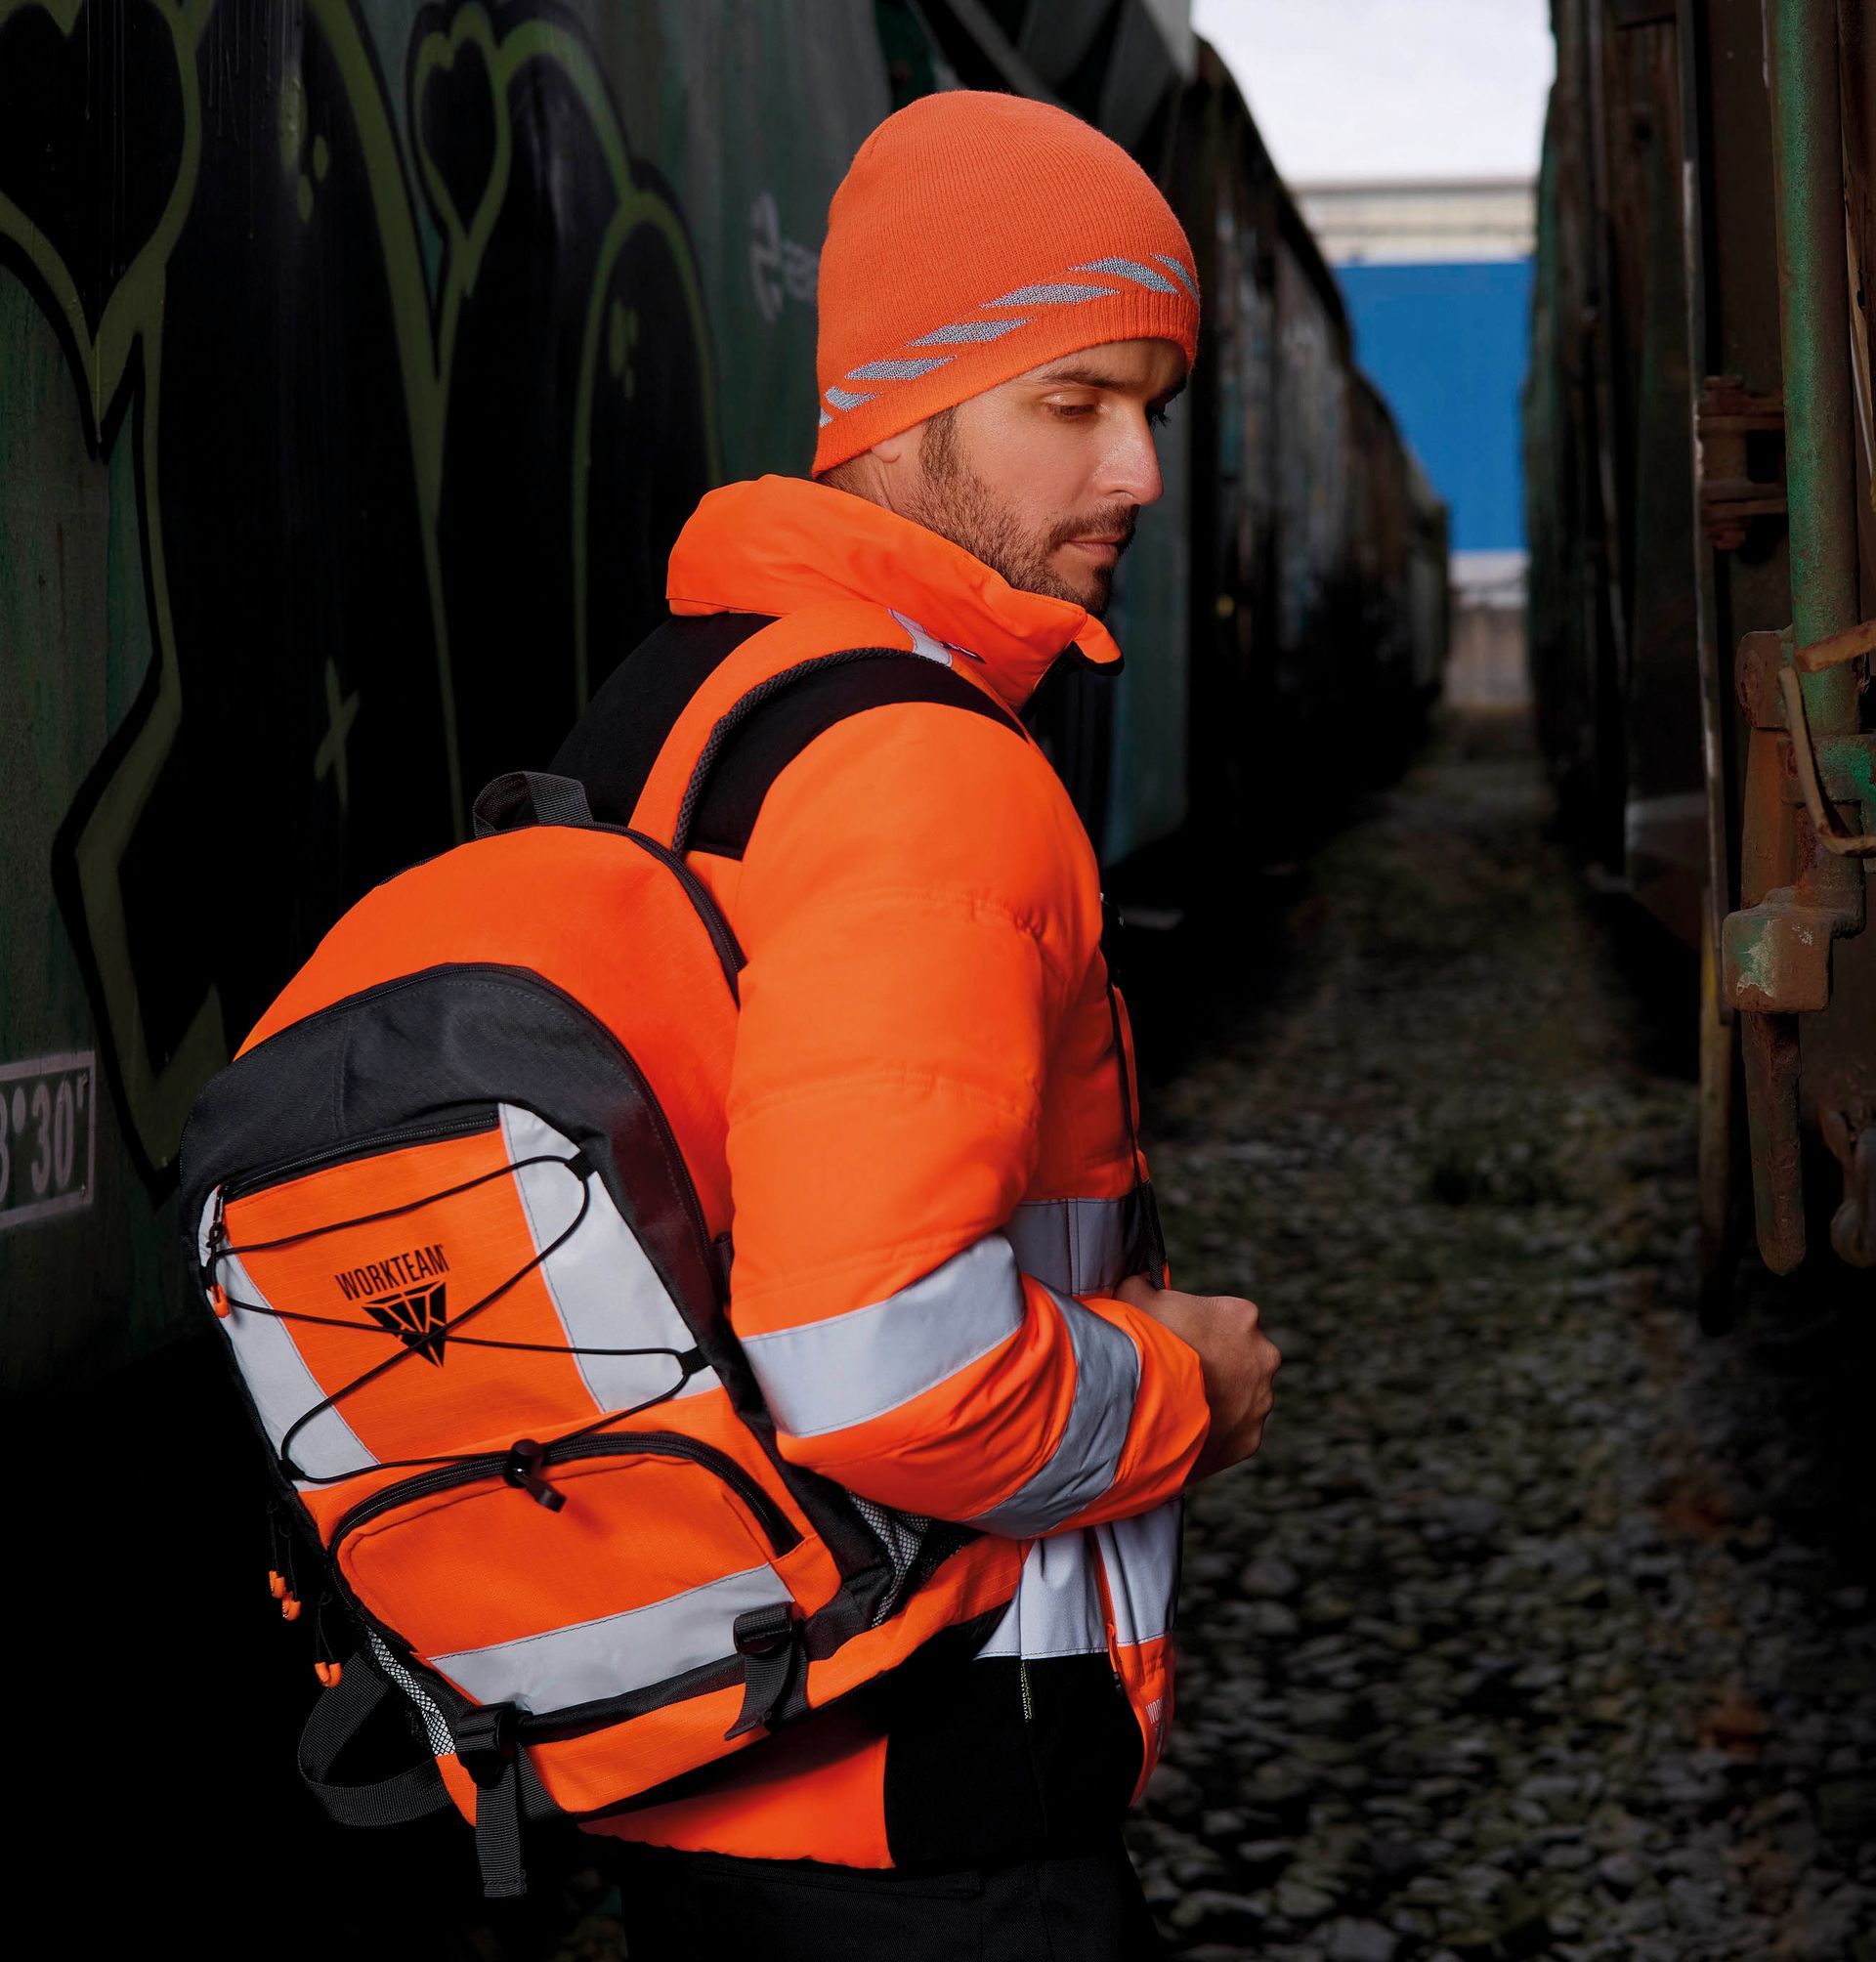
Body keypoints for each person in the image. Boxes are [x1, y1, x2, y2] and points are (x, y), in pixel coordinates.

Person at [561, 89, 1281, 1961]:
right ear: (899, 402)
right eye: (1073, 402)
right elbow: (875, 1362)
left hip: (714, 1755)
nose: (1134, 472)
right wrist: (1186, 1391)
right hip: (919, 1809)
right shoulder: (928, 772)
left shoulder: (685, 703)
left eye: (1154, 407)